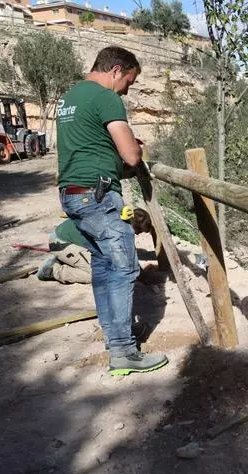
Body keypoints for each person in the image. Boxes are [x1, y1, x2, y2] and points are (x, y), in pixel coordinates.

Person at [55, 45, 167, 376]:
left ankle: (115, 337)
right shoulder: (106, 97)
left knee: (104, 267)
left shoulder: (70, 98)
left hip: (74, 194)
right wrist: (136, 148)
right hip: (98, 196)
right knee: (124, 269)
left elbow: (92, 151)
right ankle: (123, 353)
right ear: (116, 70)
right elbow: (131, 157)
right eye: (128, 82)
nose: (127, 90)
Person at [37, 209, 159, 285]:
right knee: (100, 275)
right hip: (61, 242)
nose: (137, 234)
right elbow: (128, 258)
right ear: (133, 226)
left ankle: (66, 260)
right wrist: (145, 278)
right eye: (138, 231)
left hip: (68, 239)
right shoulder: (118, 231)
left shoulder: (118, 216)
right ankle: (54, 270)